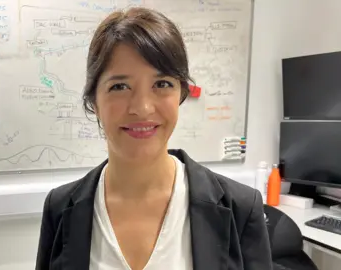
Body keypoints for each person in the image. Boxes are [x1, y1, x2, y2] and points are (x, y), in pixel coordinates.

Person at [35, 7, 272, 270]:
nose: (143, 108)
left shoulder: (241, 209)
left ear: (181, 93)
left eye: (161, 84)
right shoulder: (59, 208)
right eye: (119, 86)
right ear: (94, 101)